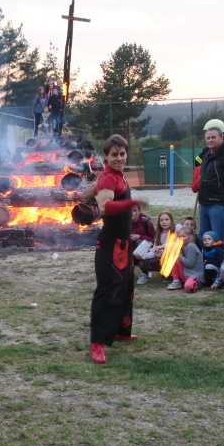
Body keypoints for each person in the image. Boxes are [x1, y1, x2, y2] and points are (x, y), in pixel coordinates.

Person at [89, 135, 146, 364]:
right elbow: (105, 207)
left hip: (123, 243)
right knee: (108, 292)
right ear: (106, 156)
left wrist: (79, 195)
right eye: (114, 155)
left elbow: (95, 188)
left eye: (122, 153)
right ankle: (98, 343)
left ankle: (121, 331)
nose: (119, 158)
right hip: (110, 244)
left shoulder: (116, 175)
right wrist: (132, 202)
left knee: (125, 289)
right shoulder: (108, 177)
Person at [136, 211, 175, 285]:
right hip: (162, 258)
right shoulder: (159, 234)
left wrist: (161, 246)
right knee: (142, 263)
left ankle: (171, 275)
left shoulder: (177, 230)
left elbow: (178, 244)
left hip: (174, 258)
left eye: (166, 219)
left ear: (171, 220)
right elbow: (153, 252)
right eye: (161, 220)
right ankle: (164, 273)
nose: (164, 222)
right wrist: (142, 256)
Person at [169, 225, 205, 292]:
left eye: (183, 236)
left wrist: (180, 255)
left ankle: (197, 282)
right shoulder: (184, 246)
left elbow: (190, 264)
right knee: (174, 258)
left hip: (194, 275)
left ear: (190, 237)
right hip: (186, 274)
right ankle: (176, 281)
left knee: (188, 287)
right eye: (179, 236)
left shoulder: (191, 246)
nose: (180, 238)